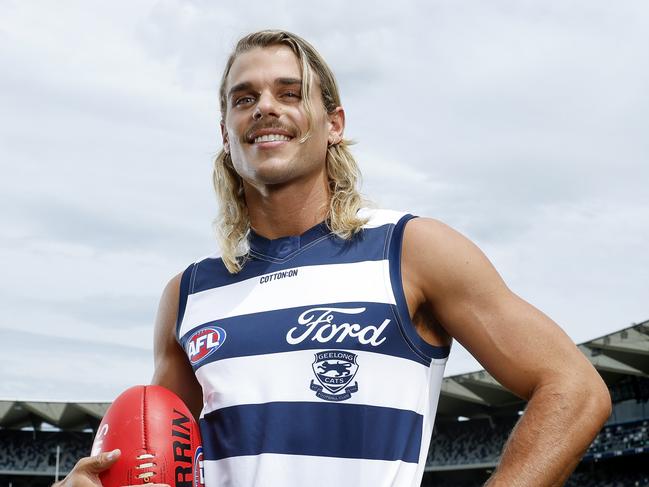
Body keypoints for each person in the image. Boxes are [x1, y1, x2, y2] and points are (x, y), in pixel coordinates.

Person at [56, 30, 611, 487]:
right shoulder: (188, 294)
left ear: (335, 125)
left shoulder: (412, 251)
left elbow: (575, 388)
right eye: (243, 98)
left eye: (289, 92)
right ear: (225, 133)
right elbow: (161, 460)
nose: (264, 107)